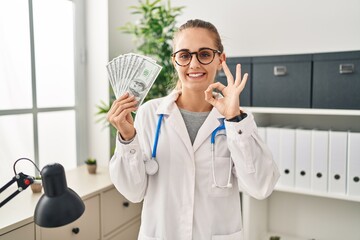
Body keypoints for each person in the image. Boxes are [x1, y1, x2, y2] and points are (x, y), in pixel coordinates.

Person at [107, 19, 279, 240]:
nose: (194, 64)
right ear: (175, 61)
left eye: (204, 54)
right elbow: (133, 192)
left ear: (220, 59)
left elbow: (261, 187)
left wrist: (235, 119)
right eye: (184, 55)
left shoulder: (237, 121)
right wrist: (127, 138)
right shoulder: (150, 114)